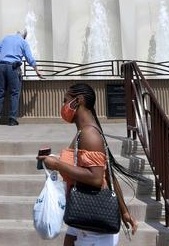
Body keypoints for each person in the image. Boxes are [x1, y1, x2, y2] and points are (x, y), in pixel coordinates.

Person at [39, 83, 139, 245]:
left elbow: (96, 178)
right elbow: (109, 173)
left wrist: (57, 164)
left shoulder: (89, 135)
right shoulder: (83, 132)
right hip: (82, 216)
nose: (63, 106)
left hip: (94, 225)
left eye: (66, 101)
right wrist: (124, 211)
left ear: (78, 101)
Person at [0, 29, 41, 125]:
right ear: (24, 36)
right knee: (14, 93)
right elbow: (29, 58)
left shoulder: (6, 38)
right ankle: (12, 119)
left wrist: (1, 56)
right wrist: (36, 70)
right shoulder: (23, 42)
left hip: (1, 67)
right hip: (13, 68)